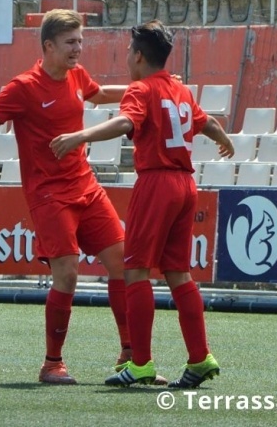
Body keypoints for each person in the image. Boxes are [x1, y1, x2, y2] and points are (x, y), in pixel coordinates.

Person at [0, 9, 143, 385]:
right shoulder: (23, 87)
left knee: (122, 262)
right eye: (71, 42)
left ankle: (130, 353)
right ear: (48, 46)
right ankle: (52, 363)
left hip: (86, 187)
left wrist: (147, 87)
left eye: (80, 41)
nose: (78, 49)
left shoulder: (76, 76)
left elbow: (99, 93)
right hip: (49, 194)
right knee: (67, 274)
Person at [50, 20, 235, 388]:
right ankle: (200, 358)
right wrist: (224, 139)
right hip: (186, 185)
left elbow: (124, 123)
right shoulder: (179, 90)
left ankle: (141, 363)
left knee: (135, 271)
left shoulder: (141, 89)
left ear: (137, 56)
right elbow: (207, 122)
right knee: (179, 273)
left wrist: (80, 136)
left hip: (156, 183)